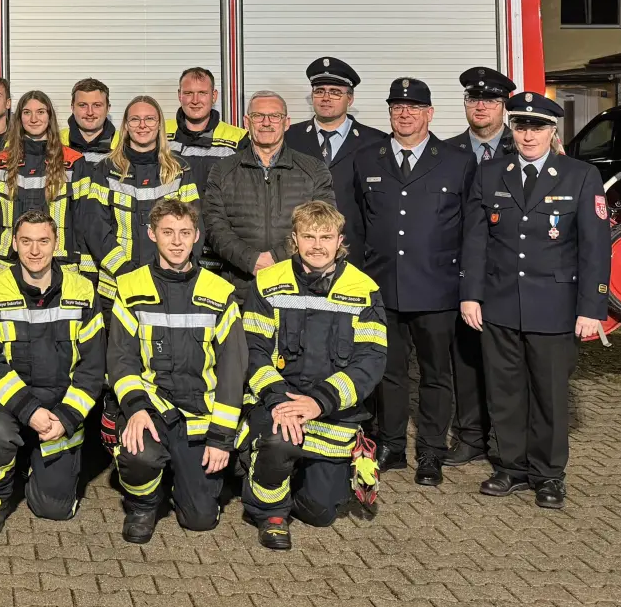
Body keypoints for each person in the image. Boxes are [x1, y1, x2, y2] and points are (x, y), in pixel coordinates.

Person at [460, 92, 609, 509]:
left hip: (555, 307)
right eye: (521, 126)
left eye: (537, 127)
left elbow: (596, 250)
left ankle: (548, 474)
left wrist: (591, 308)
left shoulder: (580, 175)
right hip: (500, 304)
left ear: (552, 131)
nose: (528, 135)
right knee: (505, 392)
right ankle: (510, 467)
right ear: (512, 128)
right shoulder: (491, 174)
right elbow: (475, 240)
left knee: (549, 394)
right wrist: (470, 294)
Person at [242, 201, 387, 550]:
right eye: (308, 236)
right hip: (279, 403)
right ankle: (270, 512)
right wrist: (279, 400)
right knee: (280, 442)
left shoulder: (363, 288)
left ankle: (290, 477)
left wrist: (319, 401)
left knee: (322, 511)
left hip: (331, 410)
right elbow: (254, 352)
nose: (317, 245)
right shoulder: (267, 283)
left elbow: (370, 361)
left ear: (340, 241)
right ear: (294, 238)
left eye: (326, 236)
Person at [351, 78, 474, 484]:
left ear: (430, 113)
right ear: (389, 113)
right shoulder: (368, 158)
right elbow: (359, 225)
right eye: (397, 107)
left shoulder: (456, 160)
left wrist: (467, 285)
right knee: (389, 371)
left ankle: (432, 452)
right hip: (383, 286)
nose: (405, 114)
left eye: (414, 108)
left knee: (436, 374)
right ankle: (391, 445)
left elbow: (471, 230)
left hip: (437, 289)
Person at [109, 199, 244, 543]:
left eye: (185, 233)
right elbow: (121, 359)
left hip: (199, 413)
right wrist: (135, 409)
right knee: (138, 452)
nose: (177, 241)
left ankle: (186, 477)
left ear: (197, 236)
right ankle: (142, 505)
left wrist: (220, 439)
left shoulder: (219, 291)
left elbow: (232, 371)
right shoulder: (130, 287)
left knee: (200, 520)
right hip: (153, 407)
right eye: (168, 232)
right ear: (152, 234)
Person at [0, 211, 105, 536]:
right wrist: (30, 411)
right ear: (14, 244)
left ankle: (34, 465)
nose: (35, 250)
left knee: (53, 509)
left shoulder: (83, 291)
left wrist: (67, 418)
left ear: (56, 243)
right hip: (8, 403)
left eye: (43, 241)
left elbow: (93, 366)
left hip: (60, 409)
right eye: (26, 241)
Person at [445, 65, 518, 467]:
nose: (481, 106)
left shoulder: (526, 146)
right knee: (467, 358)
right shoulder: (446, 151)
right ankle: (471, 435)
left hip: (510, 274)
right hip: (462, 272)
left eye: (489, 100)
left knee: (508, 363)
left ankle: (508, 440)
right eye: (474, 99)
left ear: (503, 106)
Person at [201, 91, 334, 301]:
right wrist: (251, 260)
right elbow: (214, 226)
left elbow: (323, 225)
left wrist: (275, 258)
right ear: (247, 122)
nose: (266, 123)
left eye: (275, 116)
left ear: (286, 122)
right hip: (238, 290)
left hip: (297, 287)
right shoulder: (222, 170)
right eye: (258, 116)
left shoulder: (314, 170)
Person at [88, 95, 200, 300]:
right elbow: (95, 228)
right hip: (117, 286)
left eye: (149, 119)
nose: (142, 125)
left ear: (159, 125)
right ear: (126, 126)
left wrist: (174, 269)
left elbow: (194, 225)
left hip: (170, 282)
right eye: (135, 120)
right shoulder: (105, 170)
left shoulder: (179, 170)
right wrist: (124, 270)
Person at [284, 57, 386, 255]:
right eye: (319, 91)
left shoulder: (376, 142)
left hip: (356, 251)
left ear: (350, 98)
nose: (326, 97)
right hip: (299, 250)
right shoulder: (289, 137)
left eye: (335, 92)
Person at [0, 91, 88, 276]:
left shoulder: (73, 162)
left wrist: (87, 271)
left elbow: (84, 221)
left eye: (41, 112)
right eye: (27, 113)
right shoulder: (2, 162)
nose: (34, 119)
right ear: (19, 118)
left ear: (49, 116)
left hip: (61, 266)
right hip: (7, 266)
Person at [165, 67, 247, 196]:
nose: (195, 100)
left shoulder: (238, 139)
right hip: (171, 215)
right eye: (188, 93)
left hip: (216, 216)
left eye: (202, 93)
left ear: (214, 96)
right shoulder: (159, 134)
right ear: (179, 95)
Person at [62, 78, 120, 166]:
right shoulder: (56, 142)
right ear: (72, 108)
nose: (90, 112)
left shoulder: (124, 144)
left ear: (108, 108)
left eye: (97, 105)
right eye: (82, 105)